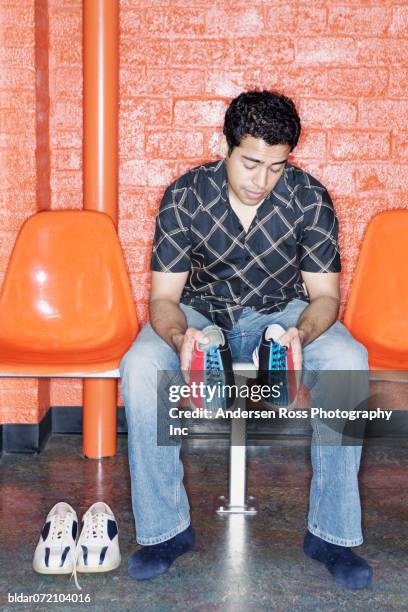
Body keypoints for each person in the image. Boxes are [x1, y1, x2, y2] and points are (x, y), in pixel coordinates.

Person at [119, 90, 372, 589]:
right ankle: (165, 531)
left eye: (276, 168)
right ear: (224, 146)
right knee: (141, 367)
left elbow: (325, 297)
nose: (262, 181)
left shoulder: (309, 196)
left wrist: (300, 333)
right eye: (251, 163)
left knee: (347, 359)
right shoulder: (184, 195)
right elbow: (164, 299)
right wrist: (179, 337)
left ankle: (332, 536)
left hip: (281, 311)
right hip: (199, 311)